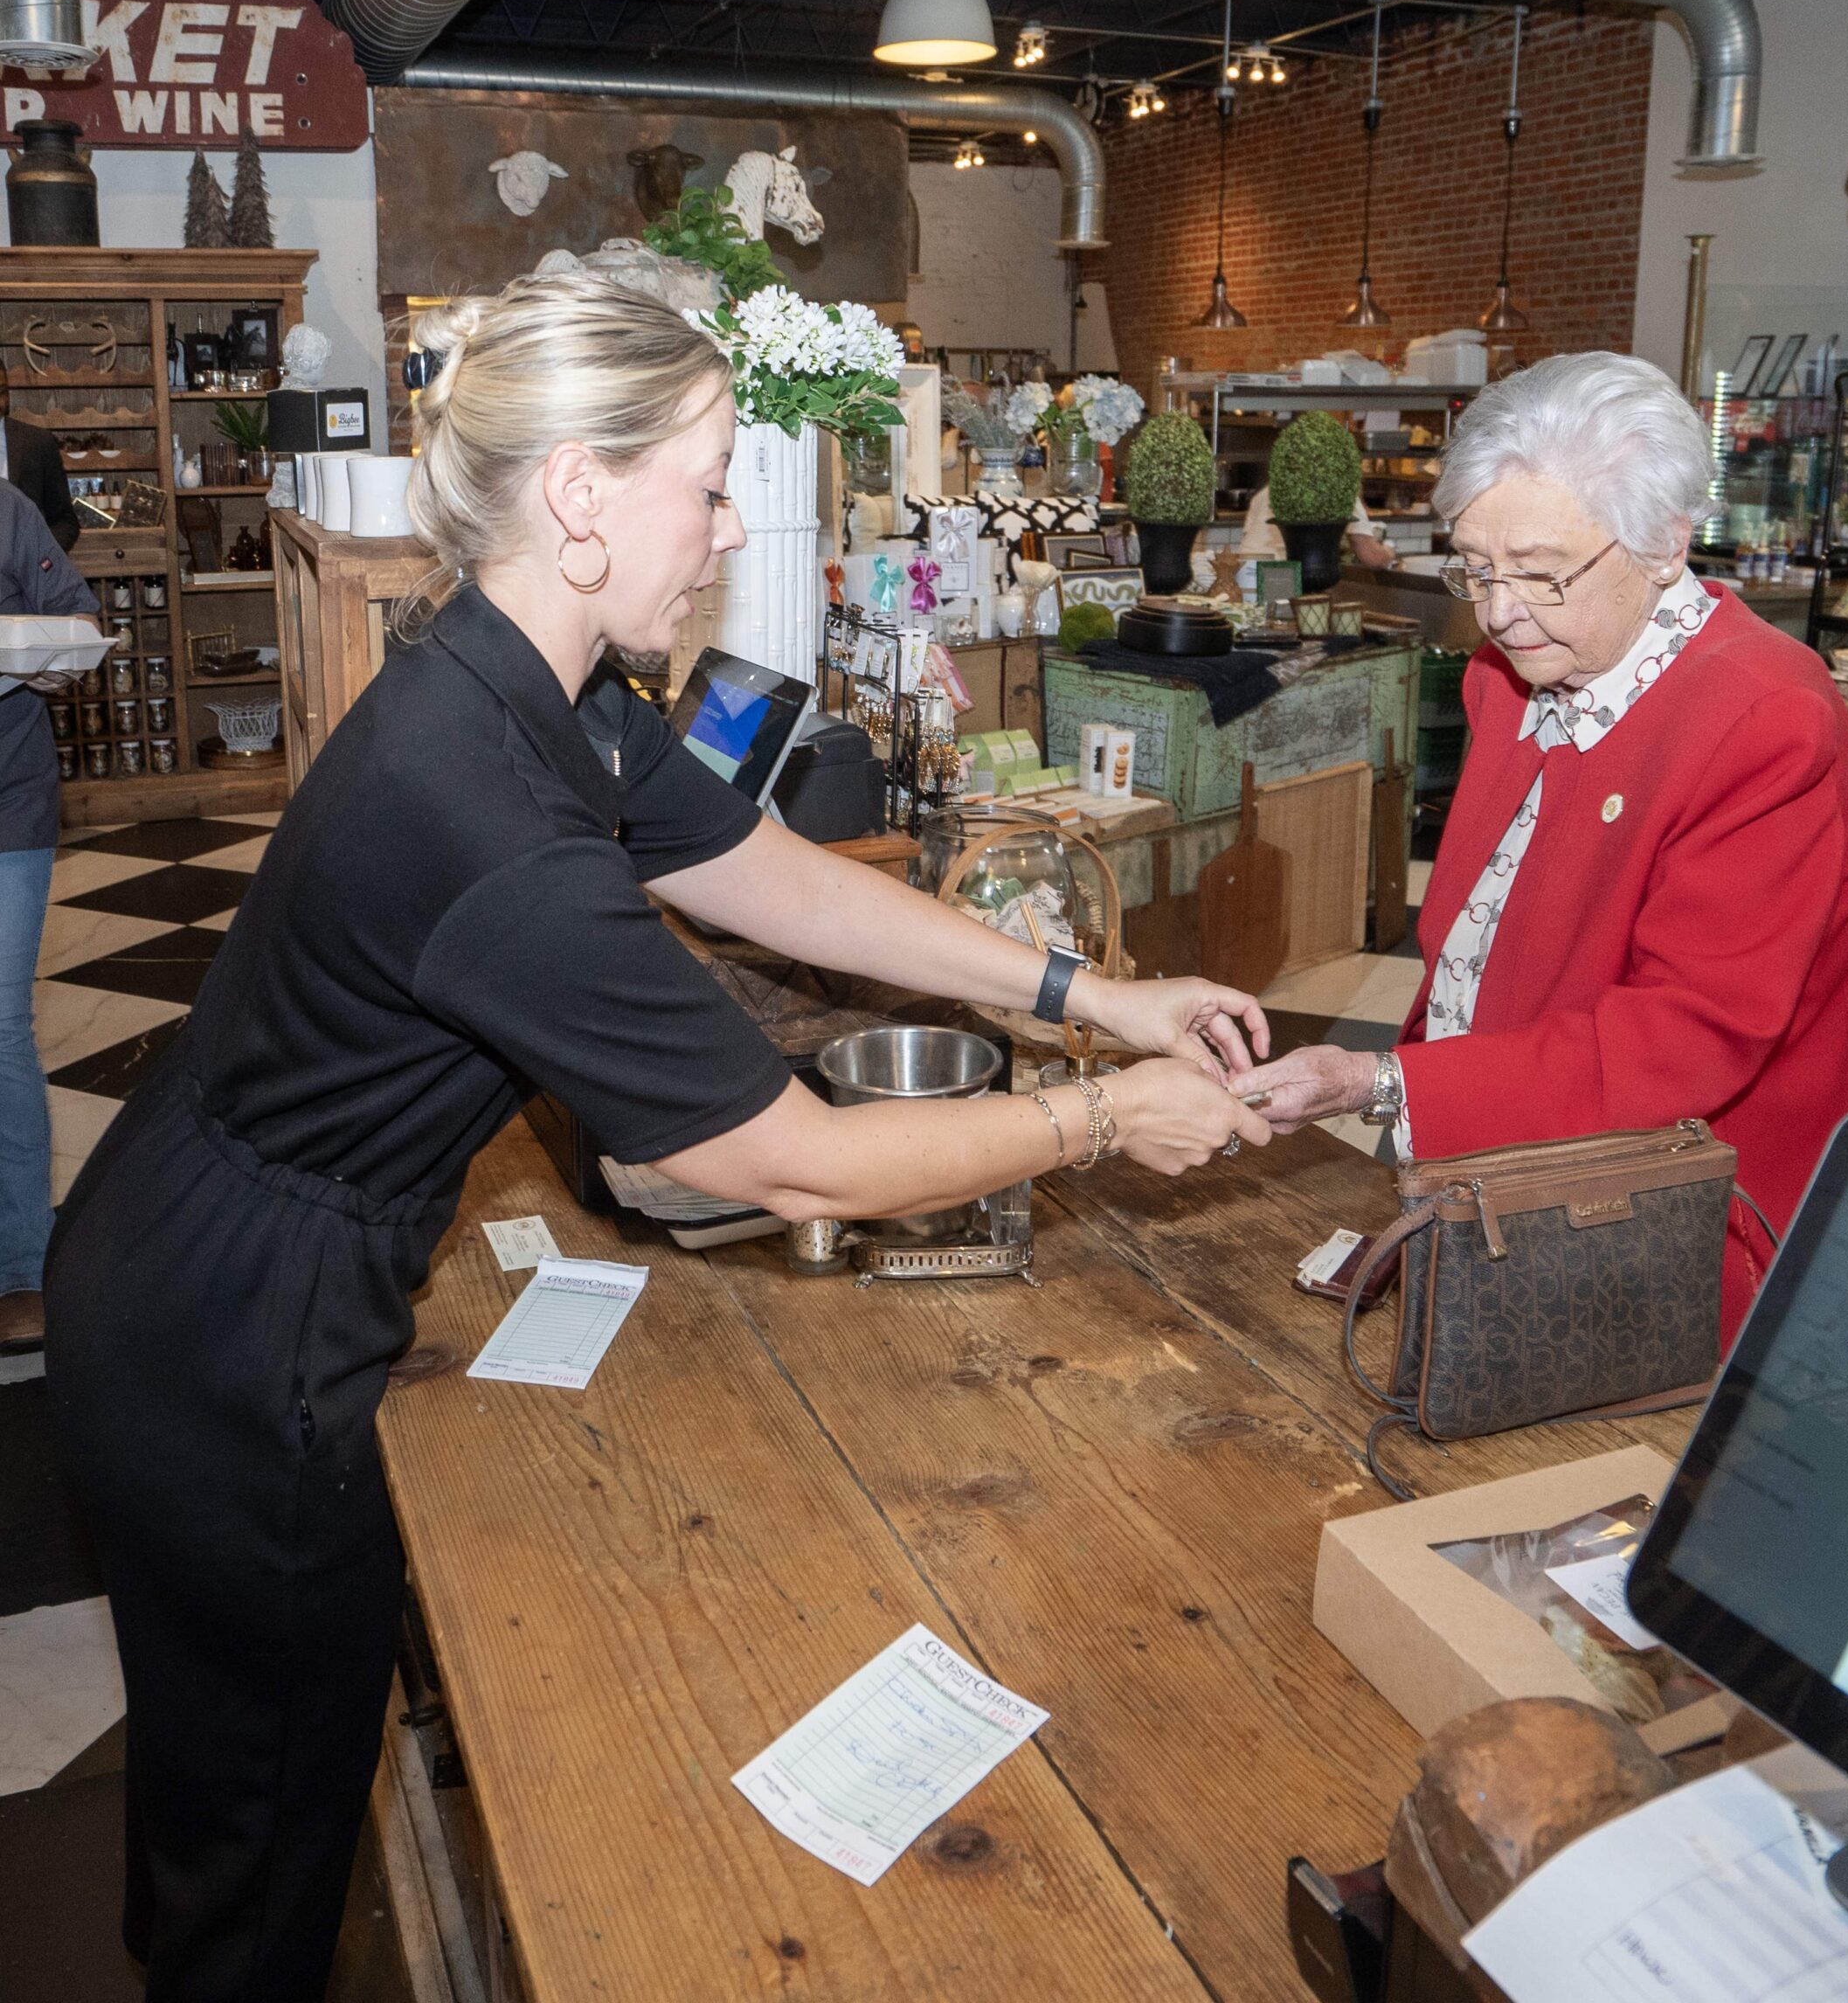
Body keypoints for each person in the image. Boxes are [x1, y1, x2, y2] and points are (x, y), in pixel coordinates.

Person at [43, 275, 1273, 2002]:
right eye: (702, 478)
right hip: (234, 1330)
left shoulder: (537, 689)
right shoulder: (479, 805)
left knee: (229, 1795)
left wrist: (1087, 991)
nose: (717, 526)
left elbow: (759, 872)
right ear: (577, 491)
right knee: (256, 1853)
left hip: (200, 1224)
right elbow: (796, 1161)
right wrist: (1098, 1113)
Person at [1254, 351, 1848, 1344]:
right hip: (1509, 1179)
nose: (1498, 611)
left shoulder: (1768, 720)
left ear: (1666, 543)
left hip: (1678, 1234)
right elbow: (1472, 960)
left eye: (1542, 574)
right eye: (1477, 567)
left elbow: (1680, 1043)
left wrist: (1384, 1084)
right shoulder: (1510, 676)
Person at [0, 480, 95, 1352]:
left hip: (9, 803)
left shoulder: (8, 511)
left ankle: (21, 1266)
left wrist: (41, 652)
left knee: (0, 1029)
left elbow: (78, 622)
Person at [0, 378, 81, 551]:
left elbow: (64, 520)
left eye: (1, 391)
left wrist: (42, 558)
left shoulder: (37, 443)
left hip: (24, 571)